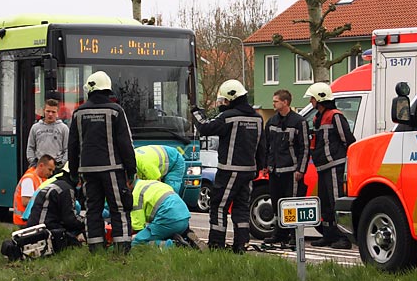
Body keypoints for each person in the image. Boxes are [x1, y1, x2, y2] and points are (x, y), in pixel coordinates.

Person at [191, 79, 266, 254]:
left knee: (219, 206)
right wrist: (259, 167)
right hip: (249, 171)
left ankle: (216, 244)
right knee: (241, 209)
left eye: (224, 101)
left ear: (231, 99)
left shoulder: (229, 117)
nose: (222, 105)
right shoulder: (257, 118)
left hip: (229, 170)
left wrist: (196, 112)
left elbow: (205, 127)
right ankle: (241, 245)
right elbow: (262, 146)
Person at [68, 71, 136, 254]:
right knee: (119, 208)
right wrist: (131, 171)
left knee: (92, 210)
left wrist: (74, 173)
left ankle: (96, 249)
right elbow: (125, 143)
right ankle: (122, 250)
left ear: (89, 89)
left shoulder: (78, 113)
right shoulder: (116, 111)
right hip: (112, 169)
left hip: (87, 171)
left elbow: (72, 146)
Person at [304, 82, 356, 250]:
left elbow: (348, 140)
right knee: (325, 203)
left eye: (312, 98)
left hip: (335, 165)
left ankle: (343, 237)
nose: (311, 101)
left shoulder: (335, 116)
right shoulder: (317, 117)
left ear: (320, 99)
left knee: (336, 201)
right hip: (323, 166)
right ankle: (328, 235)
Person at [263, 89, 310, 245]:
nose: (273, 103)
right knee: (277, 203)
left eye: (276, 101)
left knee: (291, 204)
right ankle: (279, 233)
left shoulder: (299, 122)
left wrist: (300, 170)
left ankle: (293, 235)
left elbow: (305, 148)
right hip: (275, 171)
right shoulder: (271, 122)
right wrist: (266, 165)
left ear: (285, 102)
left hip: (291, 171)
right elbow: (266, 145)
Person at [130, 178, 203, 249]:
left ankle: (175, 245)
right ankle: (187, 238)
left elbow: (137, 227)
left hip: (169, 218)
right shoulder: (150, 183)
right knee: (163, 232)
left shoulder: (135, 194)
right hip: (184, 216)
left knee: (137, 242)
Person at [25, 162, 86, 246]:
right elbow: (70, 220)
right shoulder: (66, 189)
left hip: (33, 229)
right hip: (46, 232)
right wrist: (87, 221)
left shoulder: (56, 184)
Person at [12, 154, 56, 227]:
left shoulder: (41, 178)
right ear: (41, 165)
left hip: (30, 220)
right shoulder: (29, 179)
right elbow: (25, 201)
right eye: (49, 169)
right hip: (24, 221)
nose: (51, 173)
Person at [26, 99, 69, 169]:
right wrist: (33, 163)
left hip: (57, 167)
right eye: (48, 111)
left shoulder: (64, 128)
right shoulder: (35, 127)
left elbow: (67, 149)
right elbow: (30, 147)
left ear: (57, 112)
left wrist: (61, 163)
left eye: (53, 112)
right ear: (44, 111)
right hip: (39, 167)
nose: (50, 114)